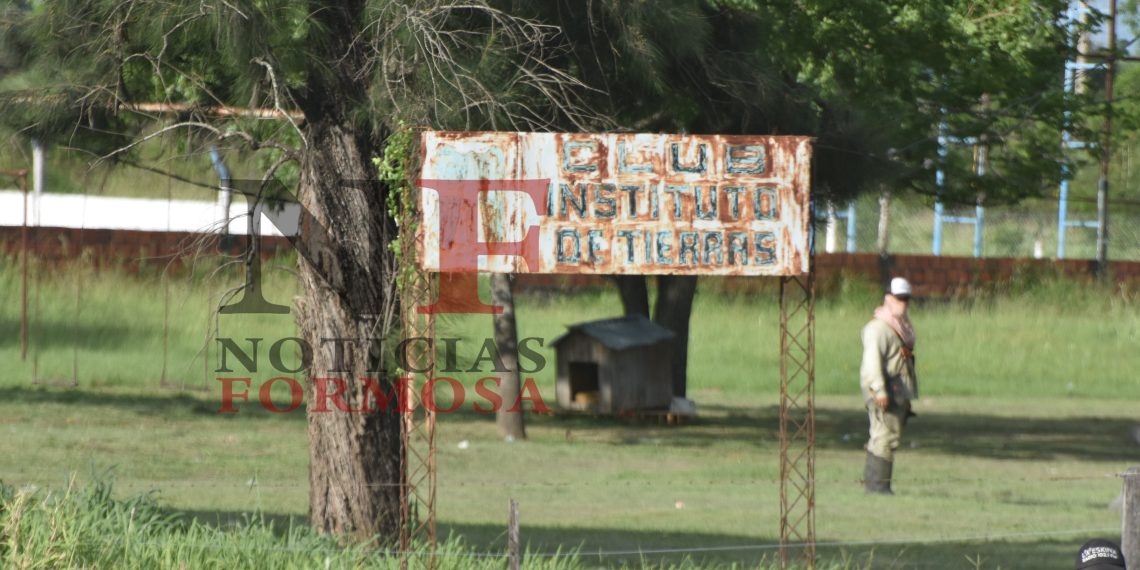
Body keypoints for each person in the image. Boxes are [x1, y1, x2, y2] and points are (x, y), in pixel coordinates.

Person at [860, 277, 918, 495]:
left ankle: (880, 486)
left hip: (897, 390)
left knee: (888, 436)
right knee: (883, 437)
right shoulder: (879, 328)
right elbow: (872, 362)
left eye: (906, 299)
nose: (903, 303)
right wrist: (879, 390)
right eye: (899, 298)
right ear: (888, 298)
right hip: (886, 390)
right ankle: (877, 488)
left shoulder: (900, 327)